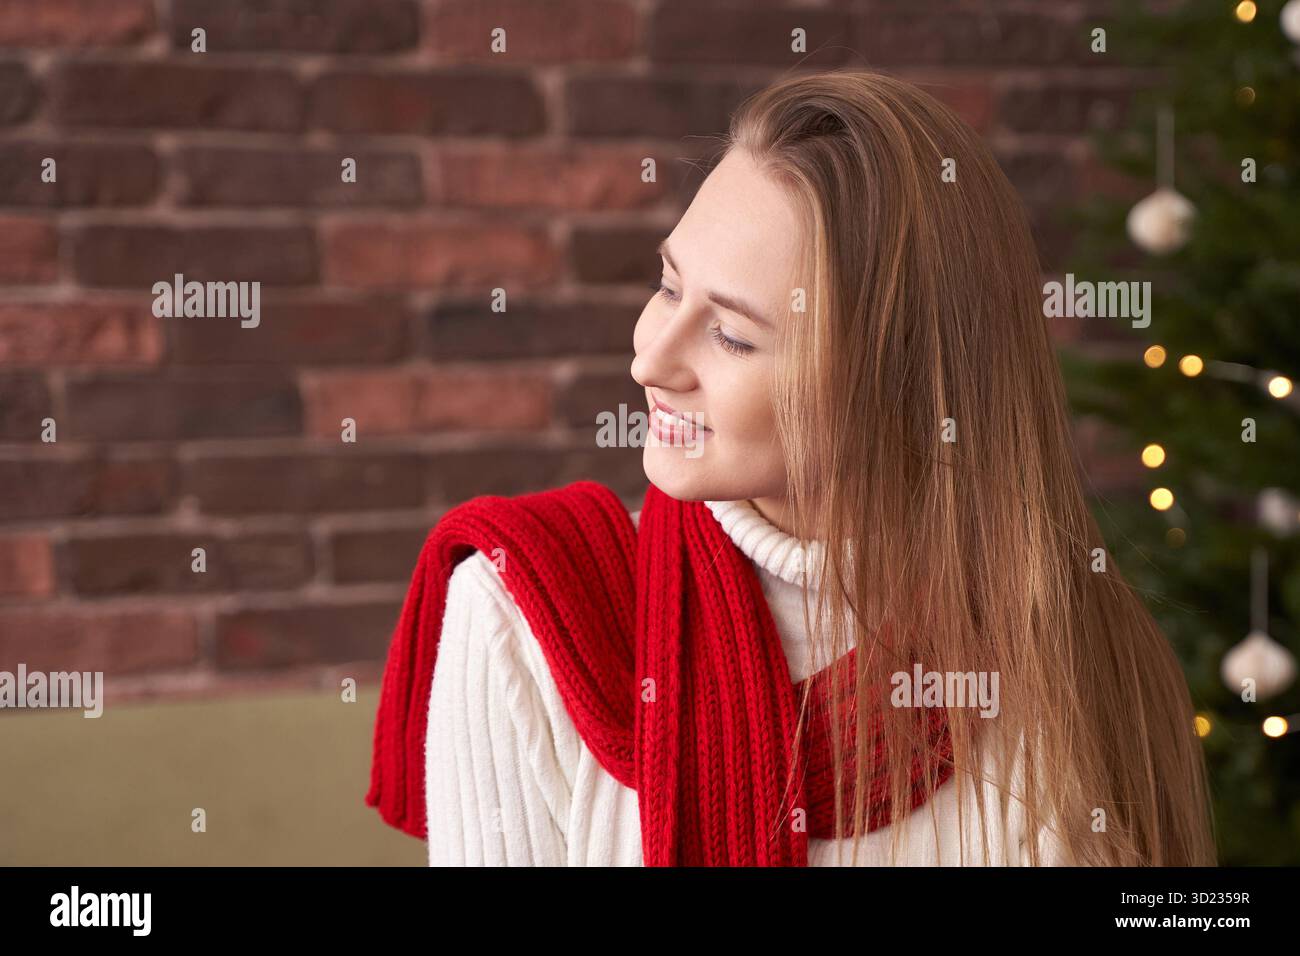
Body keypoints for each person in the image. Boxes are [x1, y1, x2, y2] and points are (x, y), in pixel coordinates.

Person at [367, 69, 1217, 867]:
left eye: (732, 334)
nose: (650, 360)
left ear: (901, 387)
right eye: (667, 286)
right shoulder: (517, 614)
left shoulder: (1077, 651)